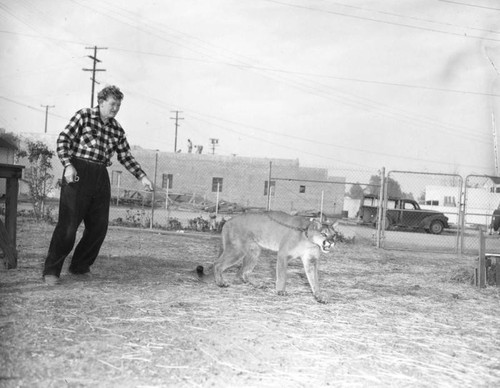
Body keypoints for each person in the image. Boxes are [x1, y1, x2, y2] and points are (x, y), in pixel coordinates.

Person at [42, 85, 154, 285]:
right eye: (112, 104)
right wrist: (68, 165)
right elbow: (63, 140)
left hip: (100, 175)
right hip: (77, 172)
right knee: (68, 227)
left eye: (118, 105)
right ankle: (51, 271)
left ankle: (79, 266)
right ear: (101, 102)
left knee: (98, 228)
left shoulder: (117, 128)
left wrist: (142, 177)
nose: (115, 109)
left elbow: (126, 156)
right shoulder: (83, 116)